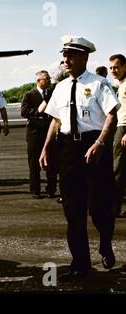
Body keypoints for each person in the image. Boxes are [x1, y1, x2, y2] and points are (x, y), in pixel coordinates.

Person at [39, 36, 119, 282]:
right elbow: (55, 120)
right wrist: (45, 148)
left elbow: (111, 116)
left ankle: (105, 244)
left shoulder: (99, 84)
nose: (66, 60)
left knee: (99, 208)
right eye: (64, 55)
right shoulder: (60, 88)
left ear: (84, 57)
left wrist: (99, 142)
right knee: (73, 211)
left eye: (71, 55)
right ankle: (80, 264)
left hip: (94, 148)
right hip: (69, 151)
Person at [21, 70, 57, 198]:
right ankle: (35, 189)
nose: (49, 80)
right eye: (46, 78)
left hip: (49, 130)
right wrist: (39, 110)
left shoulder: (53, 94)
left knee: (52, 161)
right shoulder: (29, 94)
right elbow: (24, 112)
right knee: (34, 162)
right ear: (38, 81)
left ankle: (51, 189)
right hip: (34, 132)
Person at [109, 54, 126, 218]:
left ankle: (115, 207)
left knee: (117, 168)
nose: (113, 70)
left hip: (123, 128)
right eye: (111, 68)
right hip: (120, 127)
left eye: (117, 67)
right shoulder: (120, 84)